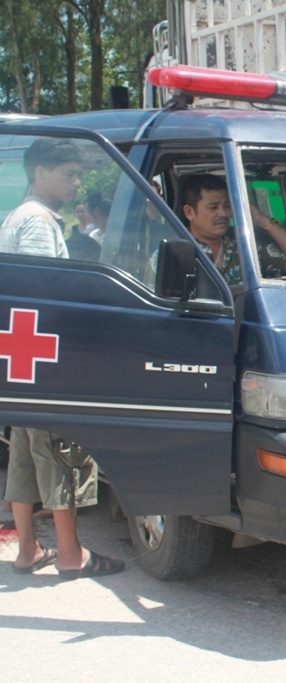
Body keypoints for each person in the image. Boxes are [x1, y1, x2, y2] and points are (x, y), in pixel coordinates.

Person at [0, 137, 124, 578]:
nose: (77, 182)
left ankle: (28, 550)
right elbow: (41, 296)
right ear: (40, 174)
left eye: (79, 173)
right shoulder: (36, 222)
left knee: (26, 451)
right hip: (44, 356)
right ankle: (72, 554)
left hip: (23, 359)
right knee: (59, 448)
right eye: (68, 173)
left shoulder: (22, 216)